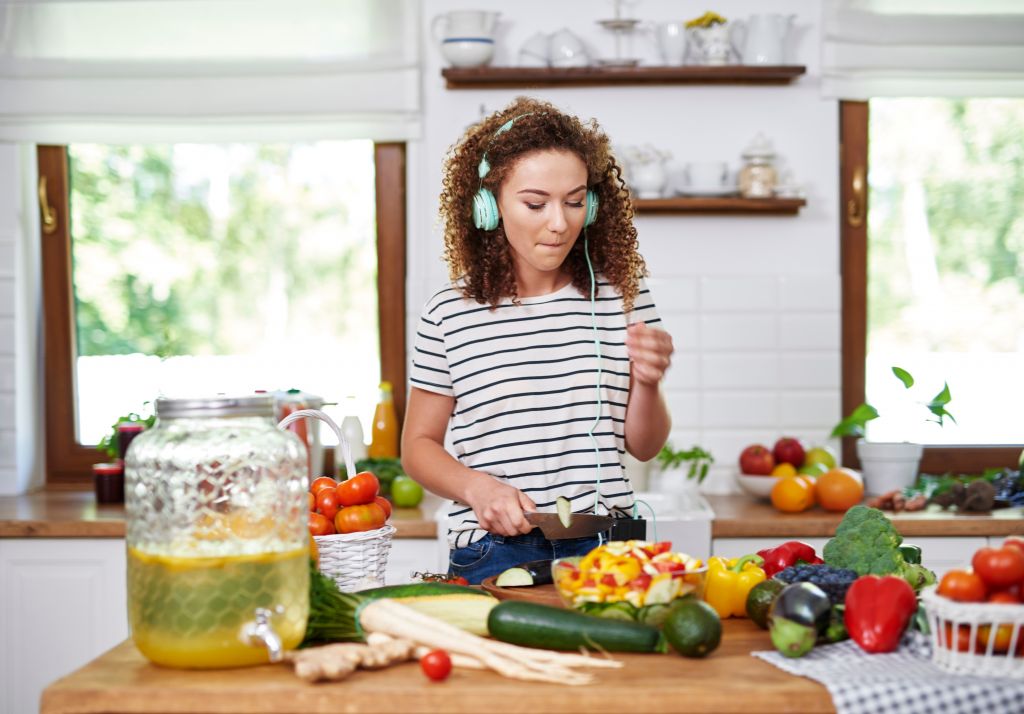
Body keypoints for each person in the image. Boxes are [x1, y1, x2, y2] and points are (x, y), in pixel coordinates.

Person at [401, 97, 675, 584]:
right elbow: (418, 446)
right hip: (495, 550)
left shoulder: (623, 298)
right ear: (489, 207)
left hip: (610, 550)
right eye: (535, 203)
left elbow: (645, 446)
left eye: (574, 202)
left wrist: (649, 384)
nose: (559, 222)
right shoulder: (448, 313)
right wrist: (476, 488)